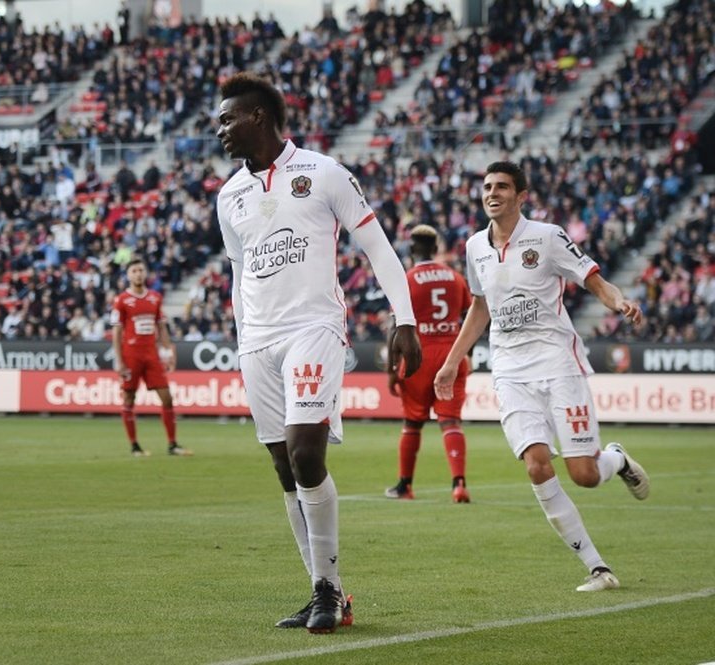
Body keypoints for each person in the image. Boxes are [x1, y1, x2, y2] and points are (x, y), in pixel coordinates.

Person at [215, 72, 422, 633]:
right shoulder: (228, 195)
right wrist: (240, 341)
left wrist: (405, 319)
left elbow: (376, 246)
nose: (221, 130)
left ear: (258, 116)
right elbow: (238, 276)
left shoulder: (324, 173)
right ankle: (322, 591)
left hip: (315, 327)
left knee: (307, 453)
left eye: (228, 119)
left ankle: (329, 590)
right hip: (257, 341)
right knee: (285, 468)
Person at [435, 161, 649, 592]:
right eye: (487, 187)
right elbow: (481, 308)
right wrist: (452, 361)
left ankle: (617, 458)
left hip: (557, 363)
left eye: (502, 187)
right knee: (536, 466)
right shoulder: (475, 245)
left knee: (584, 475)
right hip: (510, 369)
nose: (492, 193)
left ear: (521, 195)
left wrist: (618, 301)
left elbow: (594, 279)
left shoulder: (547, 237)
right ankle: (597, 567)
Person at [385, 224, 472, 503]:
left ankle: (405, 485)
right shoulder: (455, 278)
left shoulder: (407, 279)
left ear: (411, 250)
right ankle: (459, 484)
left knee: (412, 423)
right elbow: (471, 315)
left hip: (418, 358)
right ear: (436, 249)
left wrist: (391, 368)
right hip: (452, 356)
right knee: (450, 422)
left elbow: (394, 327)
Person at [110, 257, 192, 457]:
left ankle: (172, 445)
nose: (138, 273)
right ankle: (134, 446)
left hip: (151, 355)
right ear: (128, 275)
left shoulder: (155, 297)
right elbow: (116, 333)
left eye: (141, 270)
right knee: (129, 398)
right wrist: (119, 361)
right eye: (134, 271)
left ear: (145, 273)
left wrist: (168, 351)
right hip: (131, 356)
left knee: (167, 398)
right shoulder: (121, 300)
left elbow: (161, 327)